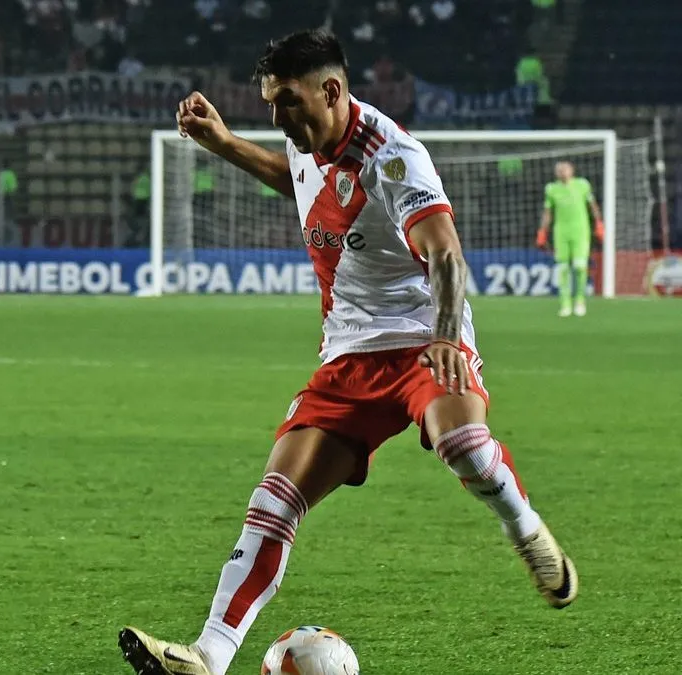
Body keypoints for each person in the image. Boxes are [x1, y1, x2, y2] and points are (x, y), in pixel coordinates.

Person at [119, 29, 576, 675]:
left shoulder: (392, 156)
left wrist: (447, 333)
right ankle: (207, 655)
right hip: (349, 352)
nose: (278, 116)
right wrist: (224, 144)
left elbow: (444, 249)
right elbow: (304, 184)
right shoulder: (305, 134)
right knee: (274, 499)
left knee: (463, 446)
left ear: (332, 90)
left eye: (287, 102)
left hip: (422, 336)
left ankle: (526, 529)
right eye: (271, 103)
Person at [537, 161, 603, 317]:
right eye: (558, 169)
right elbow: (548, 212)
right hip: (561, 232)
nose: (561, 171)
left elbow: (592, 205)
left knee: (580, 267)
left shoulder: (582, 185)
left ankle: (580, 300)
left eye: (564, 169)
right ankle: (565, 303)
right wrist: (542, 231)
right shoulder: (552, 189)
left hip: (580, 231)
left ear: (572, 170)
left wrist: (599, 224)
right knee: (563, 269)